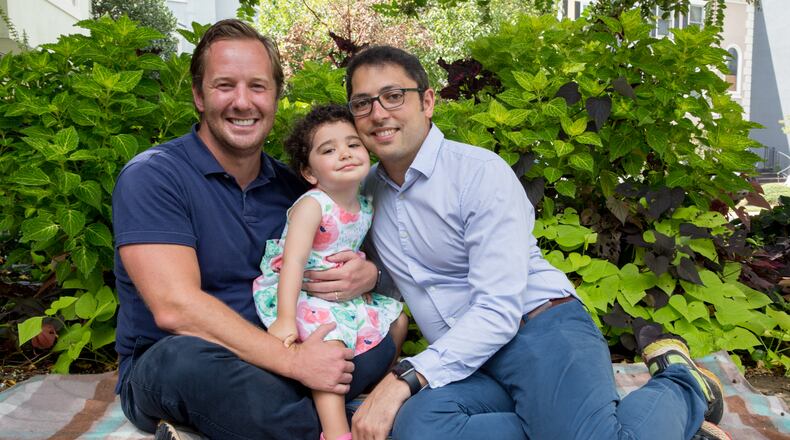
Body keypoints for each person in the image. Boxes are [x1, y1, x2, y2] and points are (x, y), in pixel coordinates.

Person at [345, 46, 730, 440]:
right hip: (466, 360)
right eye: (362, 103)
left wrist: (404, 378)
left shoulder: (477, 174)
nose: (378, 113)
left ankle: (682, 383)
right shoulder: (364, 191)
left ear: (427, 101)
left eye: (394, 96)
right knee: (419, 427)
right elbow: (402, 274)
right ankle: (579, 423)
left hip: (538, 330)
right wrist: (371, 275)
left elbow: (498, 309)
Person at [111, 20, 396, 439]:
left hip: (284, 356)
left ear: (277, 97)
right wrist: (295, 364)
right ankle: (344, 420)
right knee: (186, 364)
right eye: (225, 85)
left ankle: (274, 419)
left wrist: (366, 274)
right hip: (191, 361)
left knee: (376, 341)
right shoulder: (155, 177)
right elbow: (176, 309)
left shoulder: (295, 188)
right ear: (197, 95)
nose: (243, 102)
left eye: (258, 87)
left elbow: (346, 247)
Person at [252, 104, 407, 440]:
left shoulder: (364, 202)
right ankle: (335, 431)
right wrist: (285, 319)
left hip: (341, 293)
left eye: (353, 145)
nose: (345, 154)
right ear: (310, 172)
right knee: (330, 348)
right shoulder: (312, 205)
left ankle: (376, 391)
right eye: (329, 149)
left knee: (399, 319)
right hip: (301, 292)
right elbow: (292, 262)